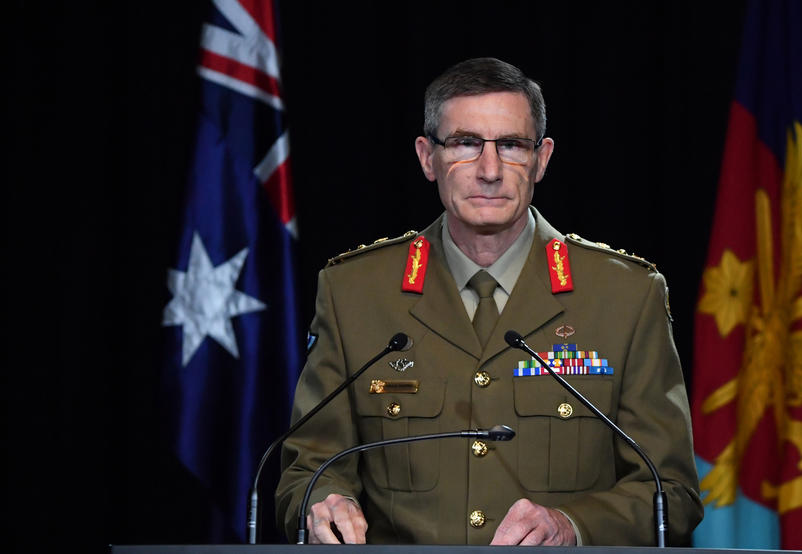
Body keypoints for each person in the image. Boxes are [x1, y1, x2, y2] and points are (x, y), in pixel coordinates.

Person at [275, 57, 703, 546]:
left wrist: (574, 526)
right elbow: (306, 469)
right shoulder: (355, 293)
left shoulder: (626, 296)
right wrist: (325, 500)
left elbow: (672, 491)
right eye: (465, 143)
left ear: (541, 158)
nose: (490, 170)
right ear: (426, 157)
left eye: (512, 145)